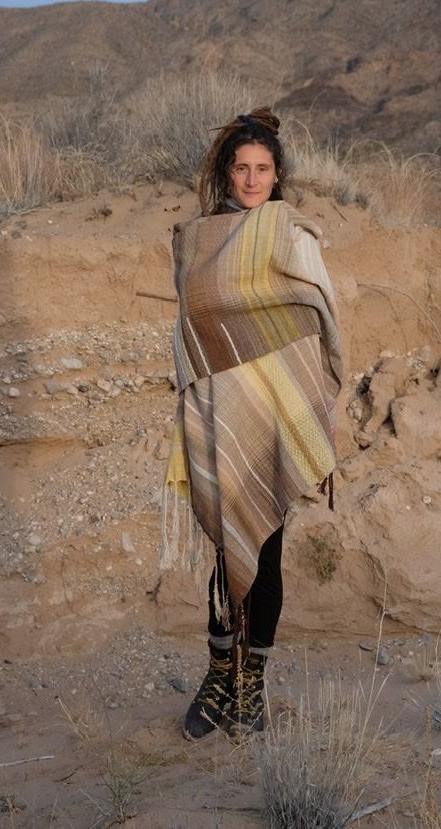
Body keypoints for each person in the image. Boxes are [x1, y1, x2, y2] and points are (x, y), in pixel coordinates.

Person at [161, 107, 343, 740]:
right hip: (217, 405)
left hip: (276, 406)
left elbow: (317, 314)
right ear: (225, 171)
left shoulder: (293, 234)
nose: (252, 178)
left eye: (263, 168)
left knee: (267, 549)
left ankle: (251, 681)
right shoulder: (199, 238)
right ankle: (218, 674)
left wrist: (315, 401)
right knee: (222, 543)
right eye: (241, 168)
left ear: (277, 173)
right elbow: (192, 322)